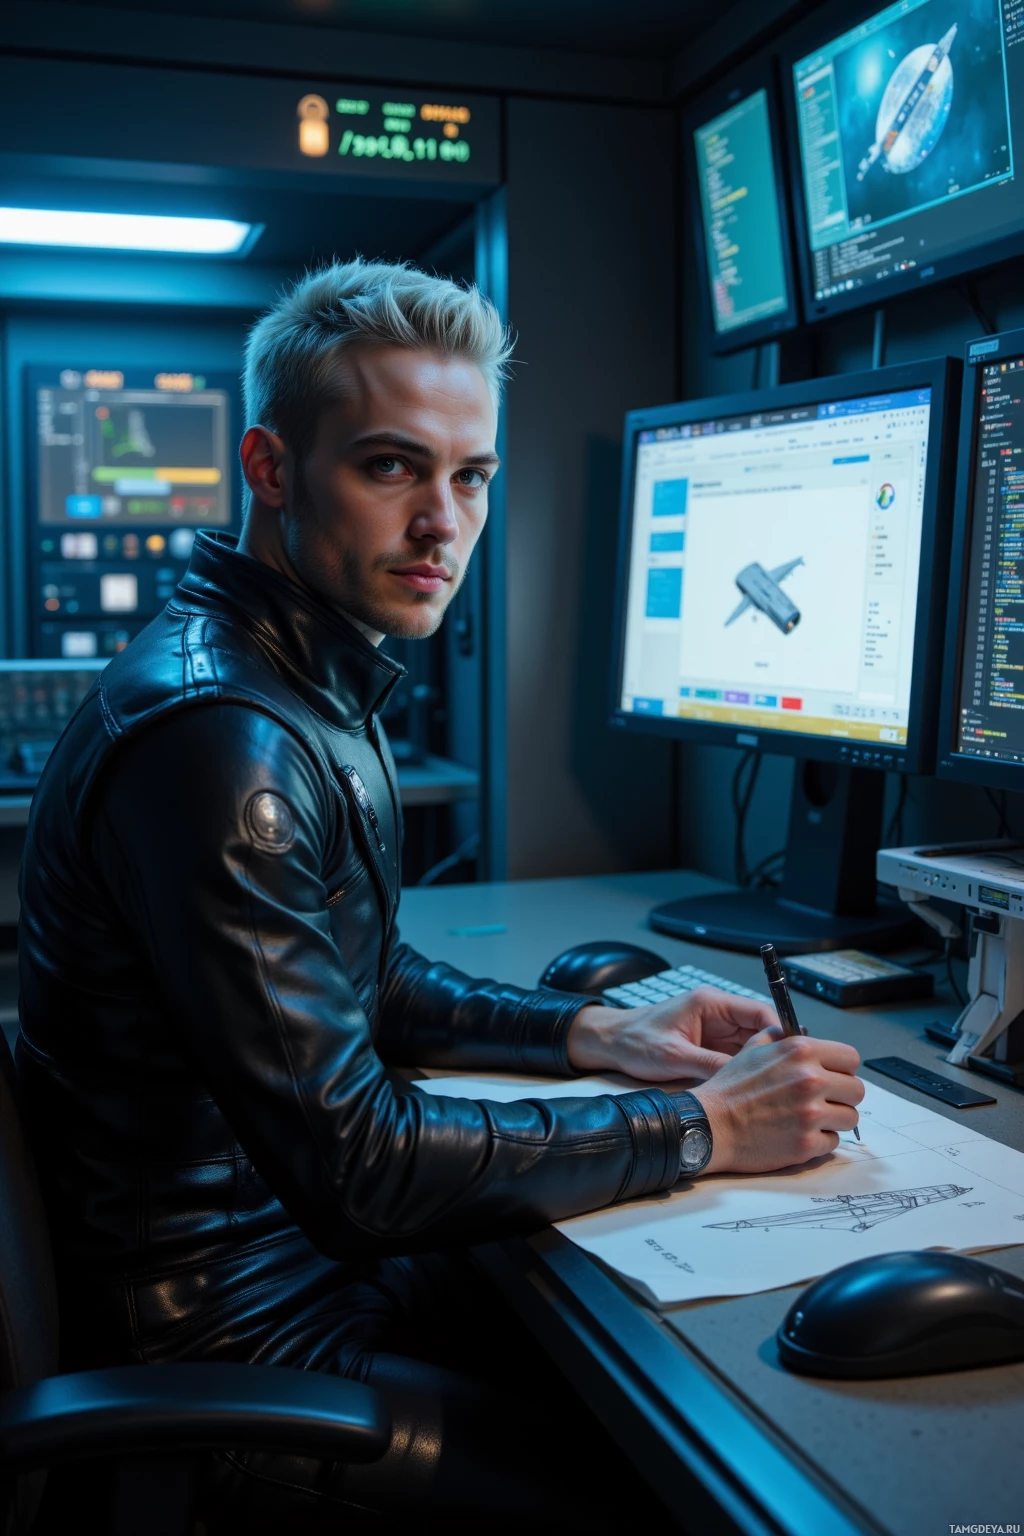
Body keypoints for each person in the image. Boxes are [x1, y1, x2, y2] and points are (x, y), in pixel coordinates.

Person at [17, 259, 863, 1531]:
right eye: (390, 466)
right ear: (268, 468)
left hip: (299, 1268)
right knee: (675, 1490)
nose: (445, 523)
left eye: (470, 477)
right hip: (229, 1340)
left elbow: (365, 977)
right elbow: (358, 1163)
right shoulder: (220, 739)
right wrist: (706, 1131)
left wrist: (595, 1033)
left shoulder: (294, 677)